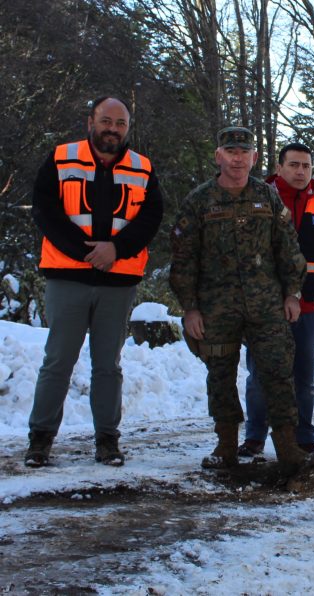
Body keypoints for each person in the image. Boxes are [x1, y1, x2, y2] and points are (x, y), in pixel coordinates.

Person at [169, 126, 314, 475]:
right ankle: (225, 447)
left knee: (278, 374)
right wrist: (190, 307)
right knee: (220, 375)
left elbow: (289, 250)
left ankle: (288, 448)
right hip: (215, 307)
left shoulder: (267, 198)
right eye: (230, 151)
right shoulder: (199, 201)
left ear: (254, 158)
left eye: (244, 152)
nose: (237, 158)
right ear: (218, 156)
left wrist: (292, 294)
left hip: (266, 305)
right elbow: (183, 259)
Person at [25, 96, 164, 468]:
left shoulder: (143, 168)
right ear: (91, 121)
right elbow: (45, 210)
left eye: (120, 124)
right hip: (68, 277)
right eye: (106, 121)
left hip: (118, 281)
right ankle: (40, 440)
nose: (112, 129)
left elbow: (151, 218)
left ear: (127, 128)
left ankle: (107, 440)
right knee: (58, 361)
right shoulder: (61, 157)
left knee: (108, 365)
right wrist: (86, 252)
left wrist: (115, 249)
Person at [238, 143, 314, 459]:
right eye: (293, 165)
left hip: (308, 306)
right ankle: (254, 438)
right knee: (260, 376)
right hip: (265, 306)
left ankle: (304, 438)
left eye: (306, 166)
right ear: (278, 168)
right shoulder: (258, 200)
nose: (300, 171)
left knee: (304, 378)